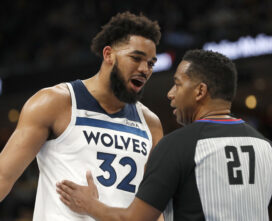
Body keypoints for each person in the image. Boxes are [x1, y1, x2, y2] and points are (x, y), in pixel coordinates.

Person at [56, 49, 272, 221]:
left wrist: (89, 205)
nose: (170, 94)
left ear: (200, 91)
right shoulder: (268, 148)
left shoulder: (178, 145)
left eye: (178, 84)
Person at [0, 11, 164, 221]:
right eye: (136, 58)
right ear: (108, 54)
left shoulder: (150, 123)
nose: (144, 69)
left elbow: (153, 209)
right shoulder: (55, 103)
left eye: (151, 63)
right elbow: (3, 176)